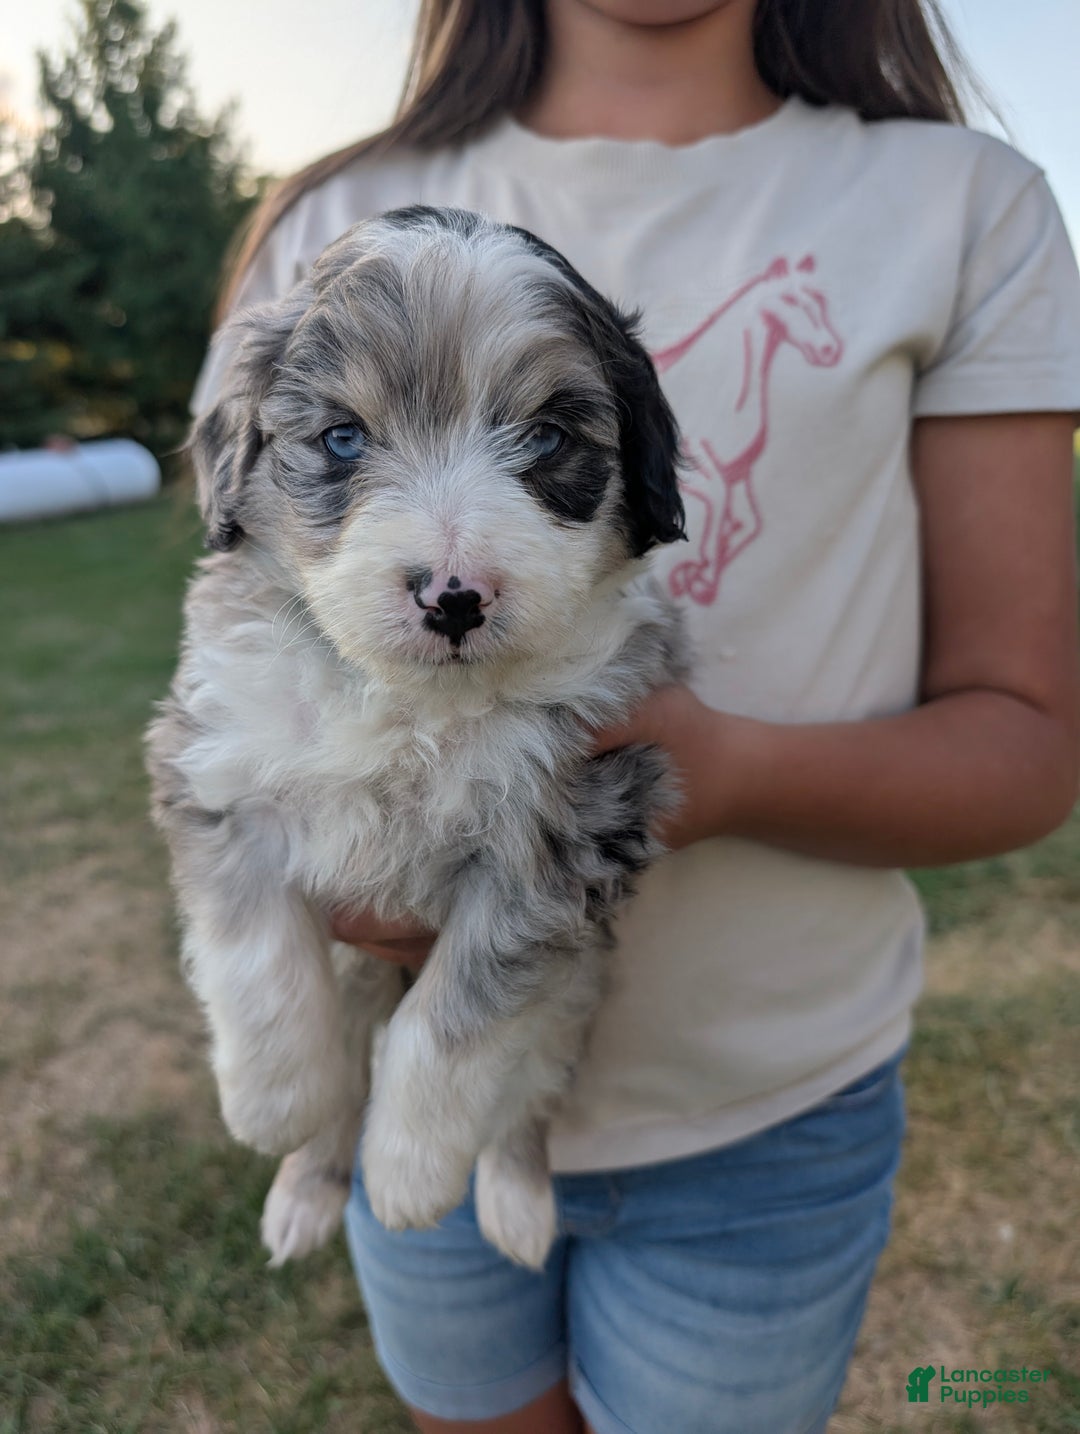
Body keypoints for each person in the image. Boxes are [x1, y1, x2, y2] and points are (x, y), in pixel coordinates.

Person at [192, 3, 1080, 1430]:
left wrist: (703, 770)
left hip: (776, 1106)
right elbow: (233, 602)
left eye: (547, 439)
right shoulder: (327, 215)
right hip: (401, 1071)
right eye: (355, 438)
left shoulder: (967, 205)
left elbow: (1032, 741)